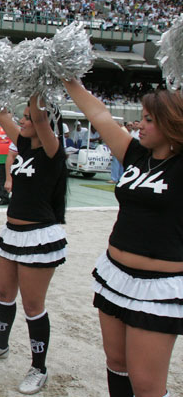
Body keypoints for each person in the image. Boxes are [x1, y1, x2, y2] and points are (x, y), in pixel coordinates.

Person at [64, 79, 183, 397]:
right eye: (140, 118)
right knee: (116, 362)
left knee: (146, 385)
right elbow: (100, 116)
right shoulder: (135, 155)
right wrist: (70, 82)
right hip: (114, 276)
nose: (139, 126)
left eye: (148, 120)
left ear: (171, 122)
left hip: (158, 287)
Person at [0, 96, 68, 395]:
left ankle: (39, 368)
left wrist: (38, 87)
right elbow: (0, 114)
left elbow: (39, 118)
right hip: (11, 232)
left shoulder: (53, 151)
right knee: (3, 293)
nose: (22, 120)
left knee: (32, 305)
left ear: (45, 123)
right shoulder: (23, 146)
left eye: (28, 116)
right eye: (23, 116)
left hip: (39, 236)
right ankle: (1, 345)